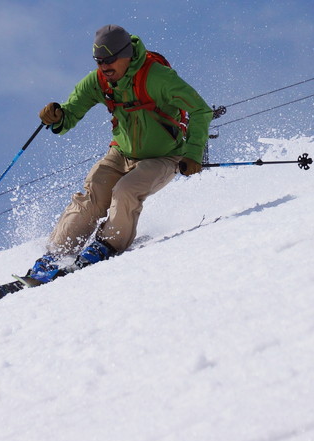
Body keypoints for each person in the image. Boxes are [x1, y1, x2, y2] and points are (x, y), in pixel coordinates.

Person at [26, 24, 213, 283]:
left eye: (110, 60)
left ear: (127, 54)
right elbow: (71, 112)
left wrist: (192, 153)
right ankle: (55, 255)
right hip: (122, 153)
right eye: (99, 61)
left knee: (125, 190)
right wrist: (57, 117)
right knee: (95, 191)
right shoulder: (99, 81)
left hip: (164, 157)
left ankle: (107, 245)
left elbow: (202, 110)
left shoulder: (158, 78)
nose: (104, 66)